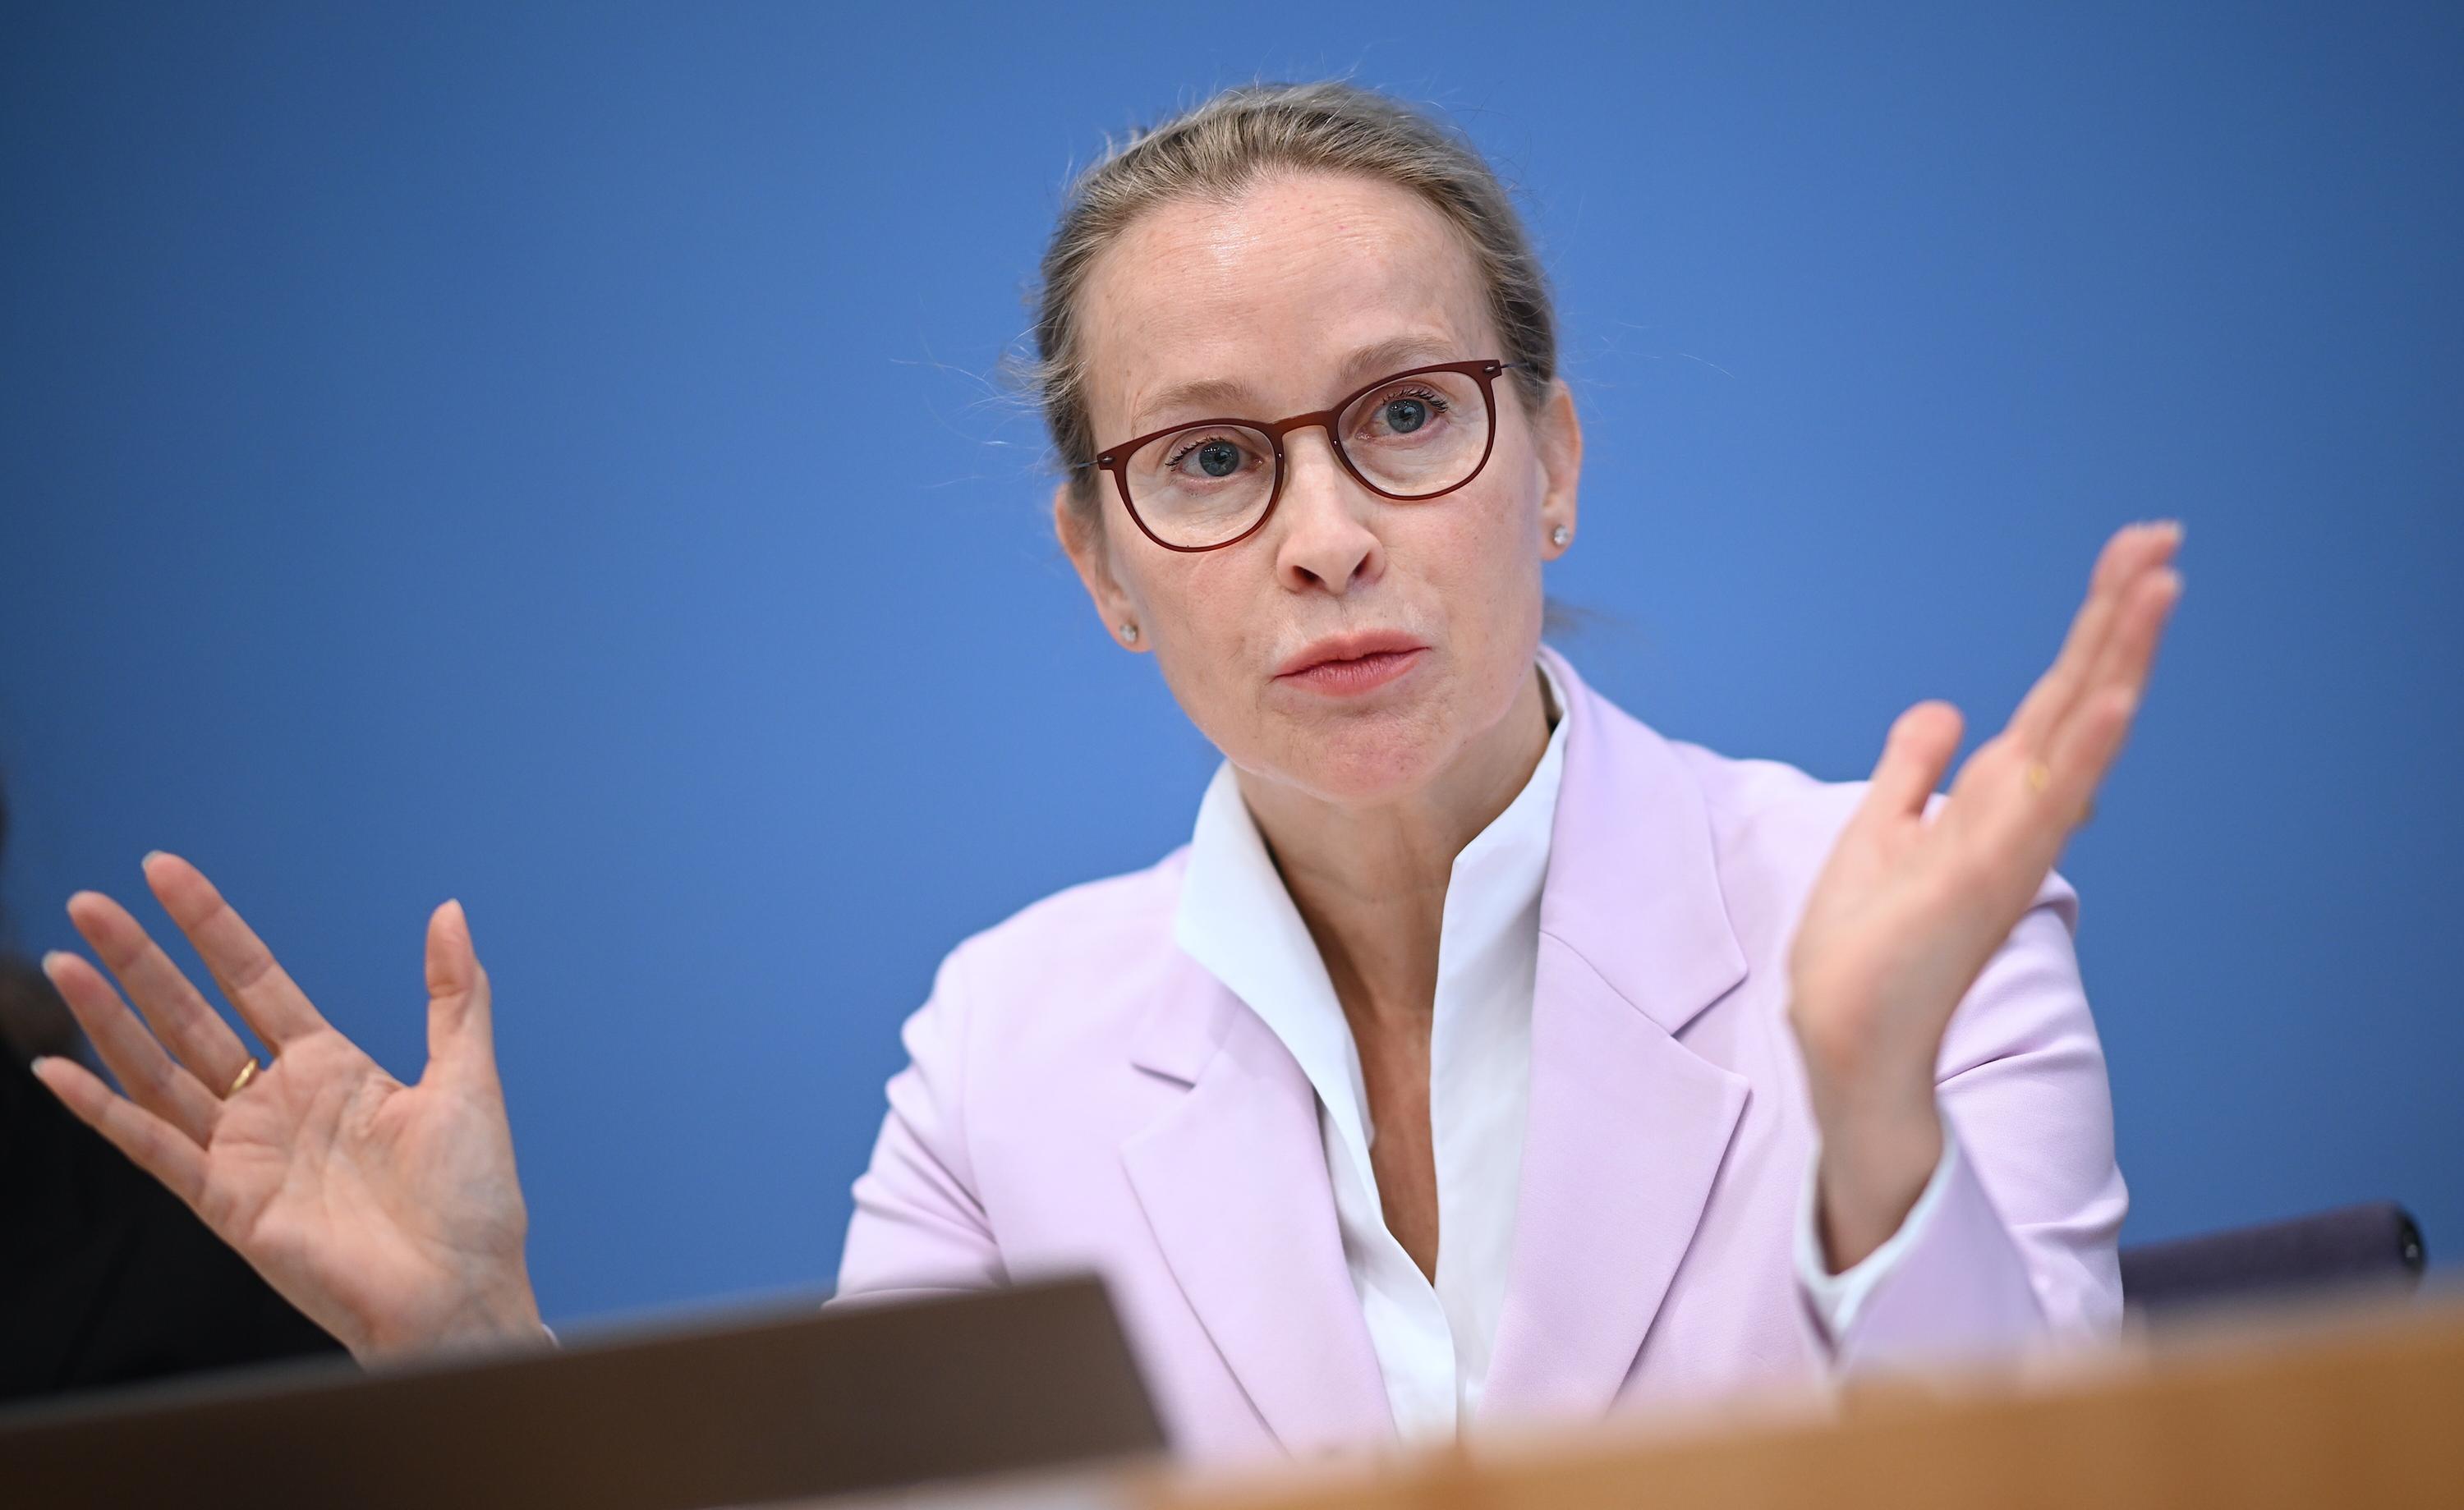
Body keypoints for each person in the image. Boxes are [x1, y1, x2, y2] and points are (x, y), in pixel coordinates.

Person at [27, 80, 2181, 1464]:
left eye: (1407, 415)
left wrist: (1874, 1123)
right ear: (1102, 567)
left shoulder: (1897, 919)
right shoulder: (1005, 1045)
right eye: (1212, 461)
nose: (1326, 535)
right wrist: (474, 1349)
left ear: (1552, 461)